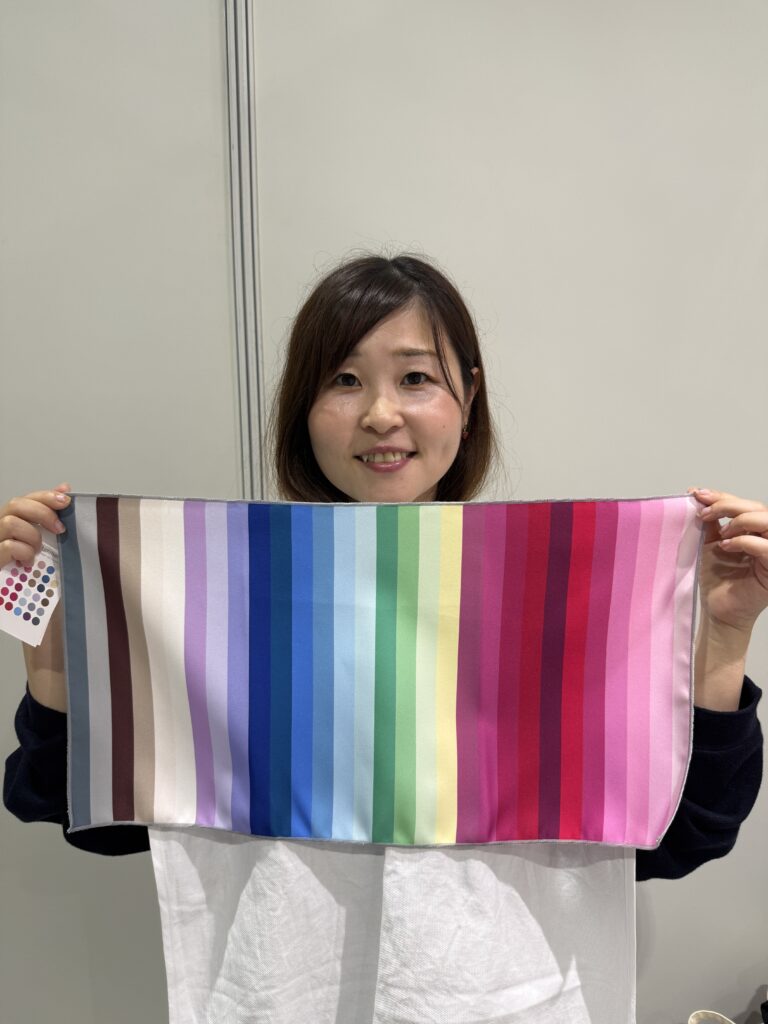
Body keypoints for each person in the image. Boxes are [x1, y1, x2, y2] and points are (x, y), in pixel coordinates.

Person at [2, 254, 765, 1023]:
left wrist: (725, 635)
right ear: (303, 406)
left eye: (415, 377)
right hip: (281, 999)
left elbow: (683, 833)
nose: (379, 414)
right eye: (343, 379)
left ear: (468, 395)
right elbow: (83, 815)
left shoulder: (566, 600)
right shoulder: (220, 597)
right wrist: (54, 644)